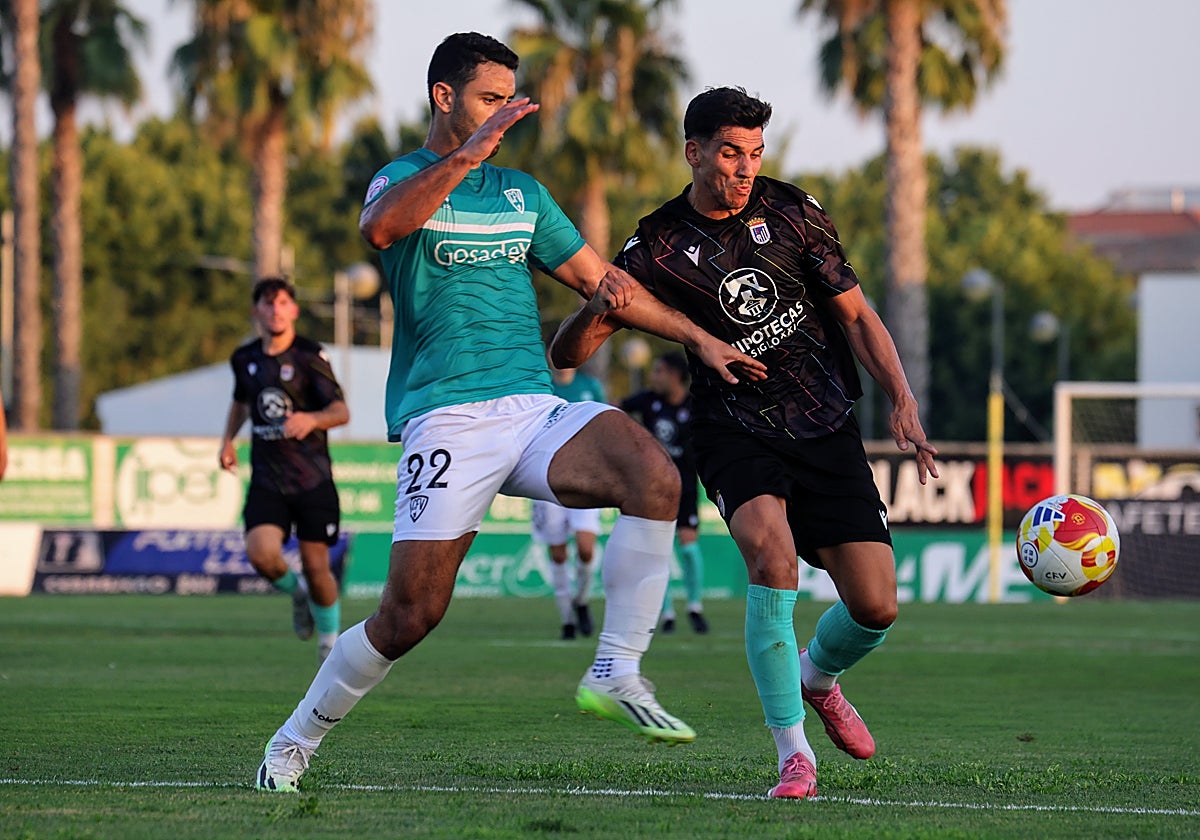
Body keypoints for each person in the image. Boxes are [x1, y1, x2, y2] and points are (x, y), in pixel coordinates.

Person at [254, 33, 766, 793]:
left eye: (507, 102)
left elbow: (606, 283)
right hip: (447, 420)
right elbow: (380, 230)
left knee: (654, 477)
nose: (503, 116)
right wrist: (466, 156)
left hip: (532, 407)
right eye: (490, 99)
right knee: (409, 616)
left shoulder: (524, 195)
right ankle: (292, 743)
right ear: (444, 97)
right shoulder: (398, 179)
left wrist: (698, 336)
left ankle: (616, 668)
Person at [550, 86, 939, 800]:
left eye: (755, 152)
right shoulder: (656, 246)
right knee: (771, 554)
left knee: (877, 605)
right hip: (732, 428)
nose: (744, 167)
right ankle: (794, 755)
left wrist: (903, 400)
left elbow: (855, 318)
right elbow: (569, 353)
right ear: (694, 152)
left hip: (824, 420)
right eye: (731, 152)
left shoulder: (792, 211)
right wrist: (591, 309)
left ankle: (816, 680)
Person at [219, 277, 350, 665]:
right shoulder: (244, 359)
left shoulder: (310, 356)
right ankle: (297, 595)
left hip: (312, 479)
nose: (275, 309)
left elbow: (341, 412)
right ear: (257, 310)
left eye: (282, 303)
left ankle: (329, 643)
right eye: (267, 303)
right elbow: (242, 402)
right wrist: (227, 439)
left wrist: (310, 419)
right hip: (268, 479)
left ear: (293, 310)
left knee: (315, 565)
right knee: (261, 554)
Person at [620, 352, 708, 635]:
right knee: (660, 549)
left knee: (689, 546)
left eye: (658, 371)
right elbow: (614, 410)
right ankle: (666, 612)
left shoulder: (696, 404)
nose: (653, 377)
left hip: (686, 484)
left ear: (673, 375)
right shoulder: (647, 400)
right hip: (654, 485)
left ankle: (695, 606)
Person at [530, 357, 606, 640]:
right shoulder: (541, 388)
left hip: (585, 477)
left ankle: (582, 600)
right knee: (558, 552)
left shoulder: (590, 386)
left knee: (586, 547)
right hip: (545, 478)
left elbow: (605, 426)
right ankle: (567, 619)